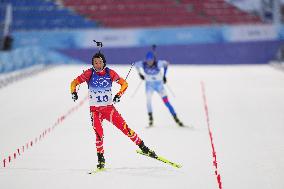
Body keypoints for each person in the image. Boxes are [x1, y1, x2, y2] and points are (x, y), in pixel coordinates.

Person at [70, 52, 157, 169]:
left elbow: (124, 84)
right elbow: (74, 83)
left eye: (100, 62)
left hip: (109, 110)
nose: (97, 64)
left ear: (103, 62)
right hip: (95, 112)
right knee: (99, 135)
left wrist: (119, 94)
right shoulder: (89, 73)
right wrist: (74, 92)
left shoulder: (109, 72)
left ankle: (144, 148)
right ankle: (101, 160)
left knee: (126, 129)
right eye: (95, 62)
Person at [134, 51, 184, 127]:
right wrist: (140, 74)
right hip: (149, 86)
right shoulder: (143, 64)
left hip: (159, 86)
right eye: (148, 61)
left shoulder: (158, 63)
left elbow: (167, 64)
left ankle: (176, 118)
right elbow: (135, 65)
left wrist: (164, 75)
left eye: (151, 60)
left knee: (166, 102)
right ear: (146, 60)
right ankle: (150, 119)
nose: (150, 62)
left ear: (154, 59)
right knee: (148, 100)